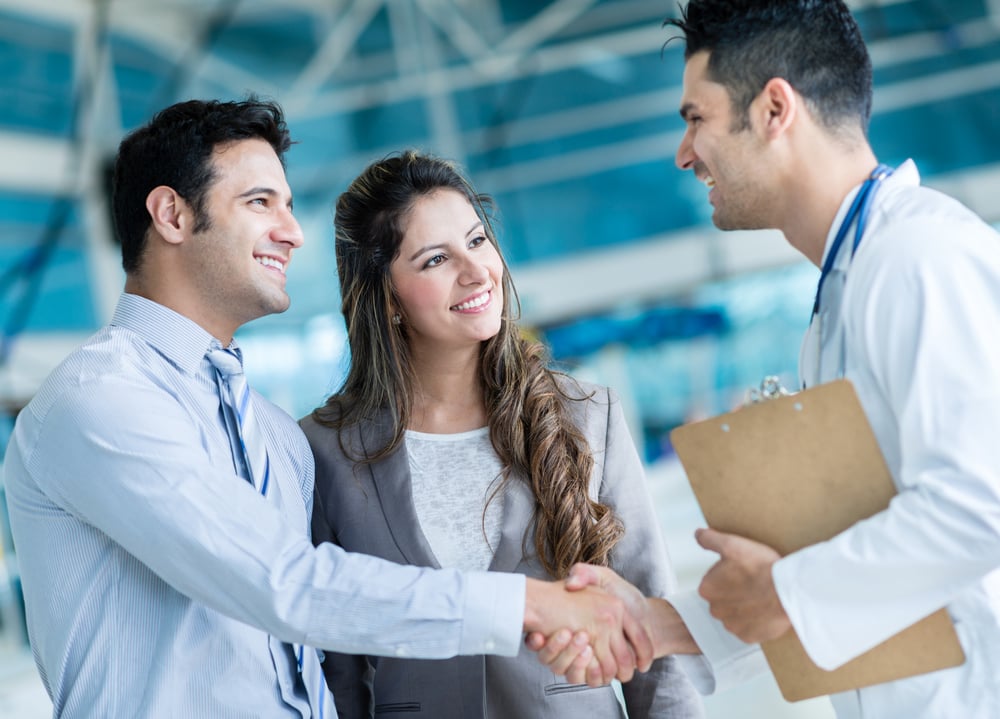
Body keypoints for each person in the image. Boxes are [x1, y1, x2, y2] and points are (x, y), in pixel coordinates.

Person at [1, 97, 663, 717]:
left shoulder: (273, 434)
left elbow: (316, 665)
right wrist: (529, 604)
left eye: (289, 205)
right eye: (260, 201)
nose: (291, 231)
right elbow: (287, 586)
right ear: (172, 215)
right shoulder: (99, 402)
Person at [538, 0, 1000, 716]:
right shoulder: (846, 291)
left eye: (696, 118)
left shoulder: (919, 258)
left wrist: (786, 590)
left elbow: (981, 505)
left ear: (775, 108)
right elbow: (832, 557)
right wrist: (661, 624)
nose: (683, 153)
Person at [299, 150, 704, 718]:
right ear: (385, 296)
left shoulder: (589, 416)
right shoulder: (325, 451)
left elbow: (654, 638)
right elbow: (335, 671)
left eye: (478, 240)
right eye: (436, 258)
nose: (475, 271)